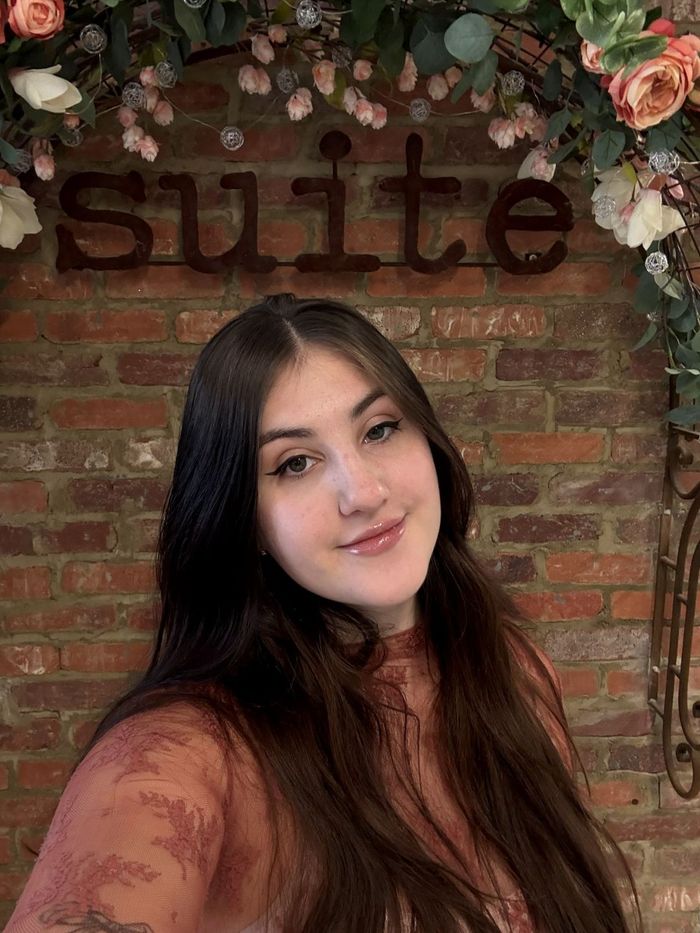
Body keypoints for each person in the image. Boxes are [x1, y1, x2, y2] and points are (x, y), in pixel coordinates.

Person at [7, 294, 639, 933]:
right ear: (243, 517)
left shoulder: (517, 672)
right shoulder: (190, 754)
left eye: (380, 429)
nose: (363, 492)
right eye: (295, 464)